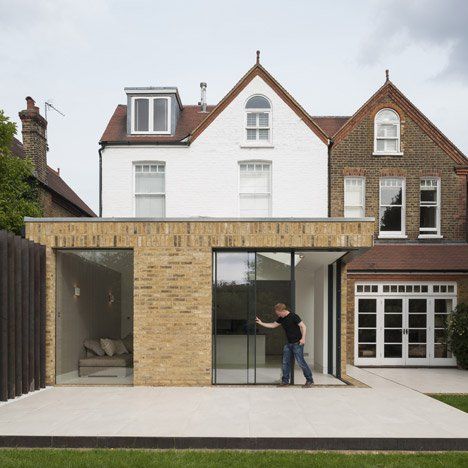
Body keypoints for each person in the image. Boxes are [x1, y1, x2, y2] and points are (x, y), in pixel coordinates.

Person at [256, 303, 314, 387]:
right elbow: (273, 325)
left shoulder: (294, 316)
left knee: (301, 362)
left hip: (297, 343)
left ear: (283, 311)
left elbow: (303, 326)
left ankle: (310, 380)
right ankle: (285, 381)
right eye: (277, 314)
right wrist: (261, 323)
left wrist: (303, 338)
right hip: (289, 344)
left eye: (279, 313)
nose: (278, 315)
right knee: (285, 363)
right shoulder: (281, 318)